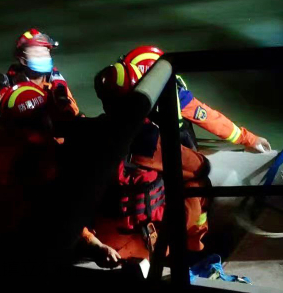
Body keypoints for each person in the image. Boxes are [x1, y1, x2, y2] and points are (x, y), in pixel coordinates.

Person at [0, 81, 120, 267]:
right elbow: (58, 211)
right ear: (40, 118)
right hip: (36, 250)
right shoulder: (39, 158)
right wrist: (94, 244)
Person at [91, 62, 212, 258]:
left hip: (104, 239)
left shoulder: (93, 132)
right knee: (199, 183)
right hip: (148, 241)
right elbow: (200, 166)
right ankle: (195, 248)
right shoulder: (148, 138)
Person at [121, 45, 271, 153]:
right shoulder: (175, 94)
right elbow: (210, 119)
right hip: (172, 158)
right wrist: (249, 139)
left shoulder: (118, 93)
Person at [1, 28, 79, 120]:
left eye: (46, 52)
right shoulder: (8, 84)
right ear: (22, 59)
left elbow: (72, 112)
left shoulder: (55, 82)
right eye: (37, 53)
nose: (43, 57)